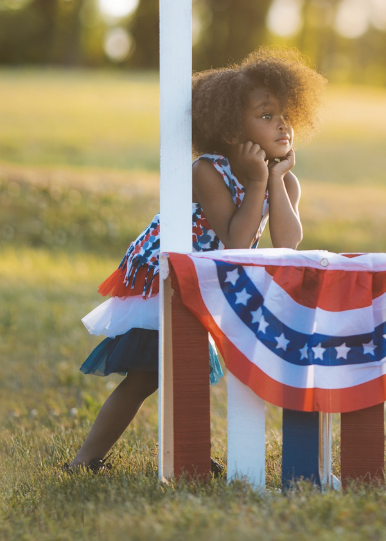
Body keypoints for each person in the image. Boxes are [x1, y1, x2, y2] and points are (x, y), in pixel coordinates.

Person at [66, 48, 326, 472]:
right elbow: (238, 240)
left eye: (285, 114)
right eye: (265, 115)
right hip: (167, 273)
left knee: (182, 370)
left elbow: (289, 240)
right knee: (150, 374)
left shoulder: (284, 177)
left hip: (208, 276)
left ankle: (186, 454)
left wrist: (275, 179)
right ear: (229, 129)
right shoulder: (208, 170)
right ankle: (86, 459)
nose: (282, 124)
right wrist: (259, 180)